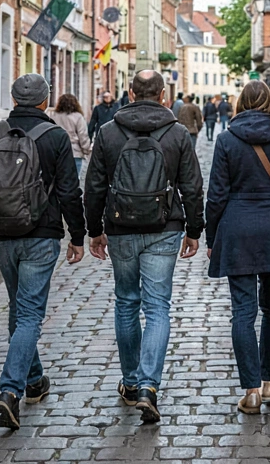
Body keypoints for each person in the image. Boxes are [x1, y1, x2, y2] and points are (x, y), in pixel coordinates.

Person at [0, 74, 86, 430]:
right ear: (45, 102)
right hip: (41, 235)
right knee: (29, 314)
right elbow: (69, 192)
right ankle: (10, 389)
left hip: (0, 234)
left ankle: (35, 381)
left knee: (19, 306)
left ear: (13, 99)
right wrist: (79, 235)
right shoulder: (55, 137)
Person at [85, 70, 204, 424]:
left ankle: (132, 381)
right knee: (157, 307)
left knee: (125, 302)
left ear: (130, 94)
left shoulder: (108, 132)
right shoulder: (177, 133)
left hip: (120, 227)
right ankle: (150, 386)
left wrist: (94, 230)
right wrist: (194, 230)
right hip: (164, 228)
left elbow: (93, 187)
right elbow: (193, 187)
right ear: (164, 95)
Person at [204, 81, 270, 414]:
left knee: (242, 311)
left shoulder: (226, 139)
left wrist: (212, 238)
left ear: (240, 103)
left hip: (237, 227)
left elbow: (216, 196)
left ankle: (250, 390)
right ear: (269, 102)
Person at [52, 93, 91, 174]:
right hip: (75, 152)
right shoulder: (78, 117)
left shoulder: (54, 116)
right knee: (75, 180)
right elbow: (83, 135)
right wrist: (86, 150)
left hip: (57, 151)